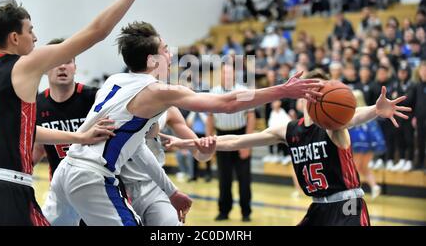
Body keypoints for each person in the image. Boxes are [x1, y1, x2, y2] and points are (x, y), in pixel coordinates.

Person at [47, 20, 324, 226]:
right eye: (165, 49)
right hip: (93, 176)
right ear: (153, 59)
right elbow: (228, 103)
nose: (170, 54)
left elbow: (137, 149)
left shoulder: (114, 81)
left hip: (67, 171)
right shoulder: (158, 92)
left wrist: (171, 189)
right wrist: (281, 90)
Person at [0, 0, 170, 226]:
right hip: (9, 186)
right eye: (30, 30)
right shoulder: (24, 64)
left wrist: (79, 136)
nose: (35, 37)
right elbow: (95, 33)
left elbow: (25, 129)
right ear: (14, 38)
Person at [165, 70, 411, 226]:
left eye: (322, 90)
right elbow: (238, 140)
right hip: (317, 206)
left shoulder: (333, 125)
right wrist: (188, 142)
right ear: (304, 95)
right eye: (313, 90)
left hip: (347, 206)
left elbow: (354, 116)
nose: (317, 95)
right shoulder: (288, 130)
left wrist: (375, 111)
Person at [122, 106, 213, 226]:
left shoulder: (169, 110)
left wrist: (207, 152)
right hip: (118, 186)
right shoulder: (110, 100)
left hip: (155, 186)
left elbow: (199, 154)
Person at [33, 38, 99, 176]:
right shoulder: (36, 105)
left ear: (75, 68)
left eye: (68, 61)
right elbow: (38, 148)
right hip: (60, 185)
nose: (62, 66)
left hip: (96, 179)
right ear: (45, 68)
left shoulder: (95, 97)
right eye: (57, 61)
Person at [207, 64, 256, 222]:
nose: (227, 76)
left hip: (240, 136)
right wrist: (209, 142)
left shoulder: (243, 91)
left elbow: (251, 117)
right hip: (221, 136)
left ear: (234, 75)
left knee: (244, 179)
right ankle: (224, 211)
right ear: (220, 75)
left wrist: (247, 143)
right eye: (224, 73)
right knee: (224, 178)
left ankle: (246, 212)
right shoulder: (213, 93)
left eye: (230, 73)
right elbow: (209, 118)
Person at [349, 90, 384, 199]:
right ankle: (374, 186)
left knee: (355, 168)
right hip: (370, 144)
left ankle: (354, 190)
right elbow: (375, 131)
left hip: (358, 144)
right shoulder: (369, 113)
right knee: (363, 168)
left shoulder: (354, 114)